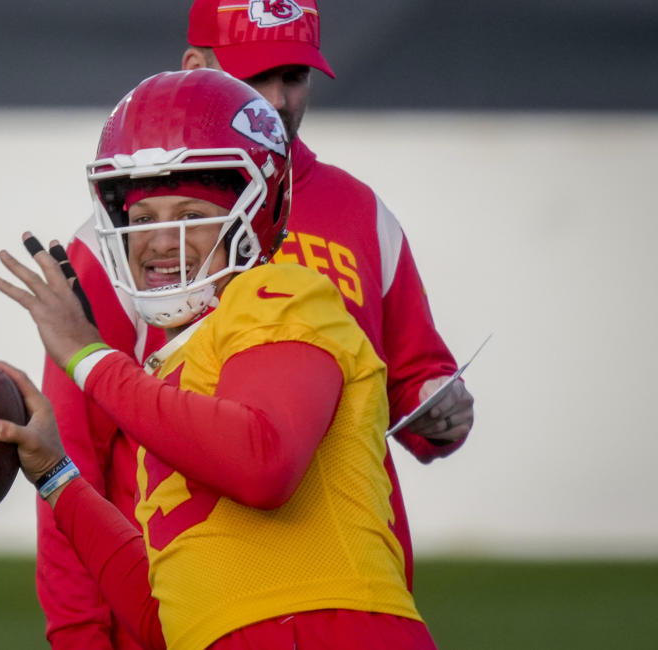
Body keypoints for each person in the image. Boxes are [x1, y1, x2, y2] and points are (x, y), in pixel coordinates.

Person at [36, 2, 474, 648]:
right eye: (255, 75)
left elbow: (402, 380)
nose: (274, 101)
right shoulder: (118, 246)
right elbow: (78, 444)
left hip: (327, 607)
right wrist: (80, 631)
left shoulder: (358, 212)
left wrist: (439, 403)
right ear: (195, 68)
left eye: (292, 76)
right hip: (186, 610)